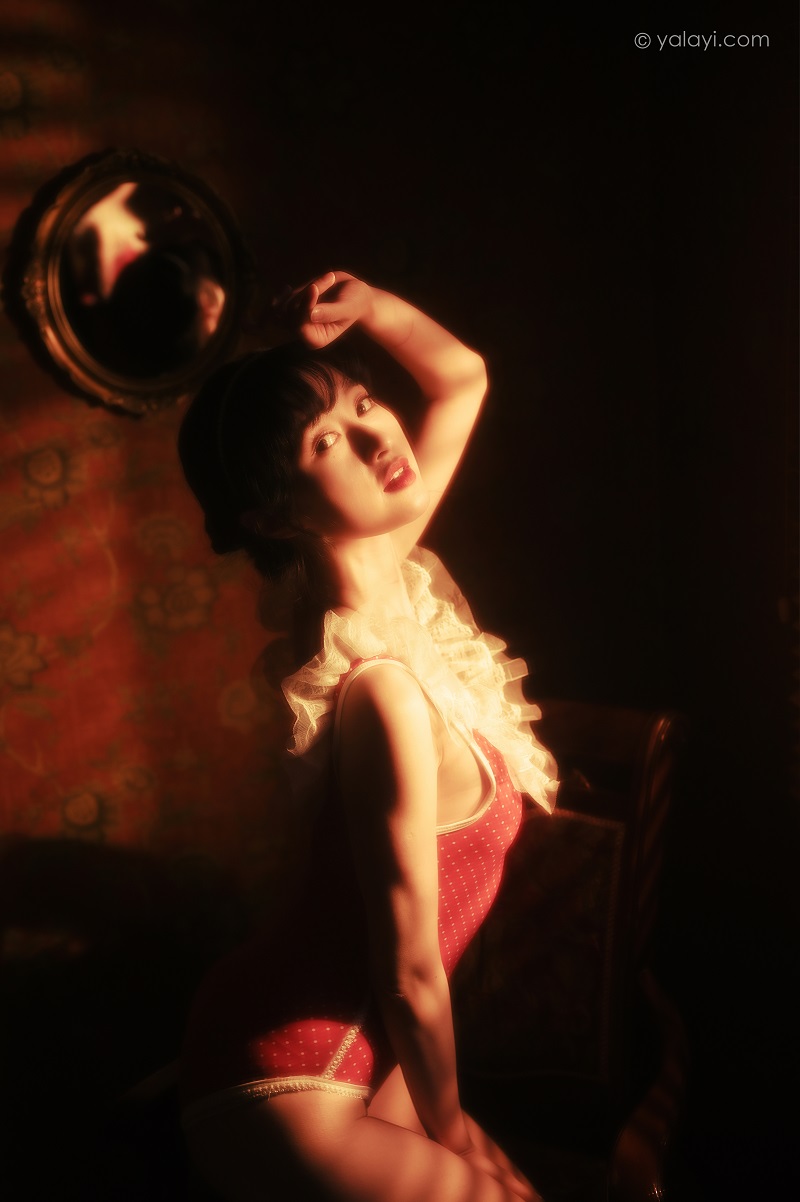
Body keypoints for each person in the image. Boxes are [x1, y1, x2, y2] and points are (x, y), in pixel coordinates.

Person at [177, 270, 559, 1202]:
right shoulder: (378, 690)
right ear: (275, 515)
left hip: (364, 1057)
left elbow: (461, 377)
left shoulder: (393, 586)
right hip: (291, 1077)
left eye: (362, 403)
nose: (377, 435)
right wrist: (458, 1135)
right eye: (325, 441)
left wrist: (370, 308)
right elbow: (410, 974)